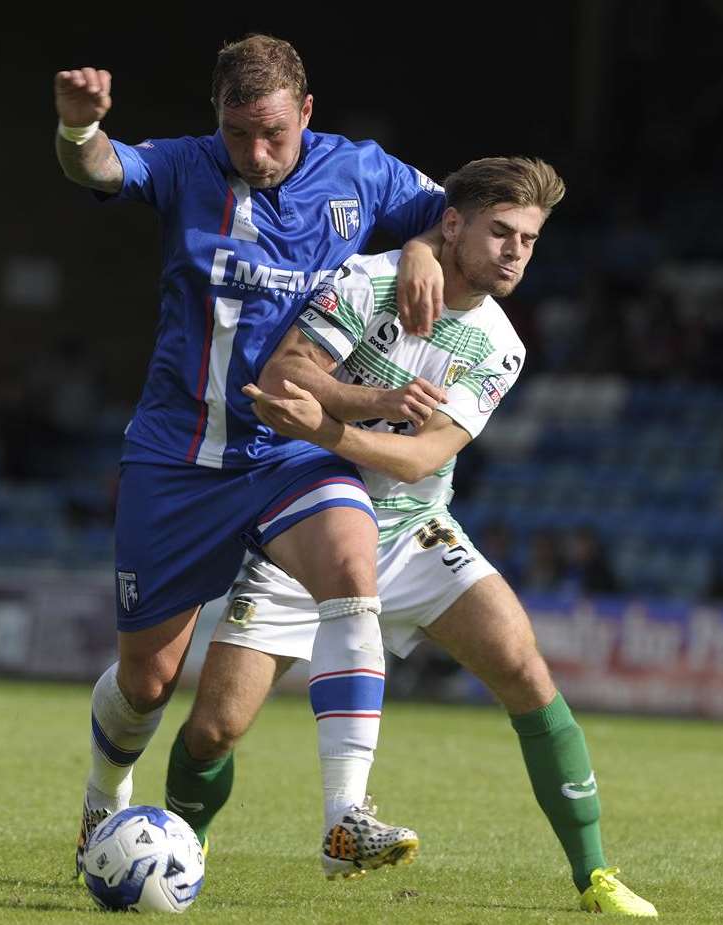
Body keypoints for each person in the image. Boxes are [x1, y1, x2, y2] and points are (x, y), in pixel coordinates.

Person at [164, 157, 658, 915]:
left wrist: (329, 425)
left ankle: (593, 874)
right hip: (305, 527)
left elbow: (424, 454)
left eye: (528, 238)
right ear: (451, 224)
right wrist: (365, 402)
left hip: (413, 528)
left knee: (525, 670)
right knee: (213, 729)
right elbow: (289, 370)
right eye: (500, 231)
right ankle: (177, 851)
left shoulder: (499, 344)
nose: (515, 251)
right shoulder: (369, 281)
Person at [53, 34, 452, 875]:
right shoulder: (186, 167)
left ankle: (346, 814)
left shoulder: (361, 170)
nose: (257, 152)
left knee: (352, 567)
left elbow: (445, 212)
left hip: (290, 451)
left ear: (307, 112)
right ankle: (101, 800)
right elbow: (100, 168)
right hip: (177, 459)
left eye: (273, 132)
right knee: (147, 685)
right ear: (217, 122)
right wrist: (78, 130)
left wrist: (418, 246)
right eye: (240, 134)